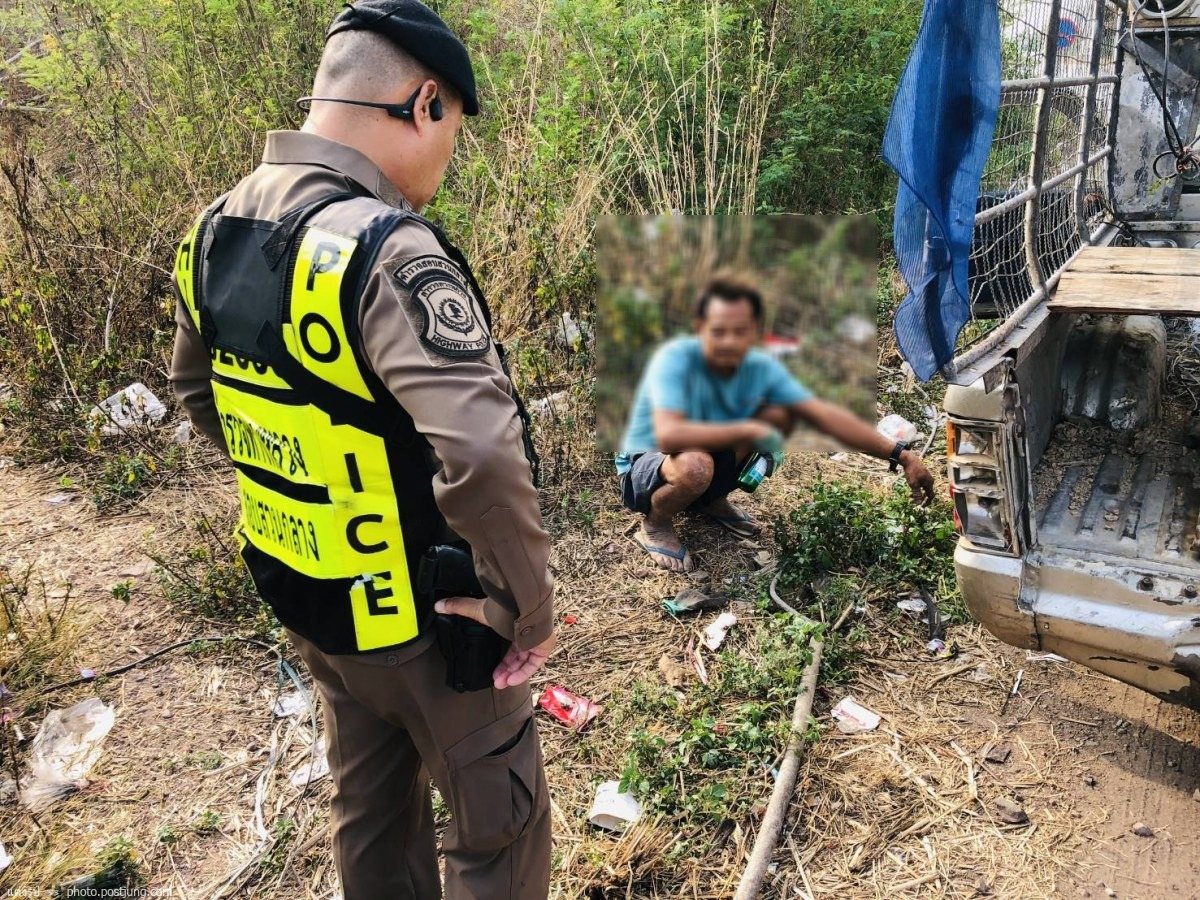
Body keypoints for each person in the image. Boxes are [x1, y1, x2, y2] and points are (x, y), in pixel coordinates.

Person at [168, 2, 554, 897]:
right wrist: (525, 608)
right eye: (452, 133)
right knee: (499, 831)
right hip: (432, 620)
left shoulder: (213, 229)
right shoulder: (385, 246)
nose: (445, 165)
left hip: (312, 600)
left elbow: (198, 392)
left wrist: (310, 496)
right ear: (424, 104)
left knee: (373, 815)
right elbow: (483, 457)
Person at [617, 272, 936, 572]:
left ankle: (709, 501)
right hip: (648, 463)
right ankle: (656, 524)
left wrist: (902, 455)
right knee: (697, 464)